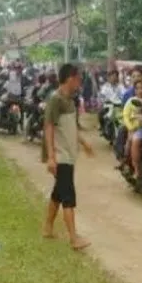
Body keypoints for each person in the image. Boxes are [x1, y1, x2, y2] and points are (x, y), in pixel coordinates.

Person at [42, 63, 93, 250]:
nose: (80, 82)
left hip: (69, 155)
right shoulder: (55, 100)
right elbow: (48, 127)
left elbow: (70, 128)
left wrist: (84, 142)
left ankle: (47, 227)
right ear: (70, 78)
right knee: (68, 195)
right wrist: (51, 157)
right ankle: (73, 238)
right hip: (60, 155)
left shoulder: (70, 101)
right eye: (78, 78)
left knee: (59, 191)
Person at [122, 81, 142, 178]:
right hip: (134, 129)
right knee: (131, 141)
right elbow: (125, 115)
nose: (140, 90)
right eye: (137, 88)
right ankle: (128, 163)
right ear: (134, 90)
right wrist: (130, 128)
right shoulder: (130, 101)